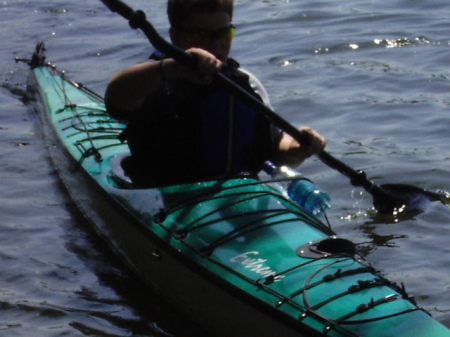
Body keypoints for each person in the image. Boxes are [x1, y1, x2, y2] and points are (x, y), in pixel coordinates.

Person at [105, 0, 326, 187]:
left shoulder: (246, 84)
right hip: (169, 202)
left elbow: (276, 150)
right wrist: (172, 68)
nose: (214, 46)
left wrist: (298, 147)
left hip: (236, 200)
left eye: (223, 35)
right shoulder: (157, 79)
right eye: (200, 36)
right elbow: (116, 97)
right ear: (175, 37)